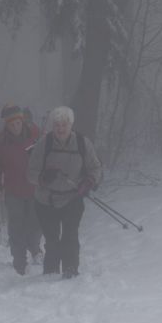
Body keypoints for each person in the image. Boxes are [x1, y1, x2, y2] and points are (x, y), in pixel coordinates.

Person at [27, 105, 103, 278]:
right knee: (52, 238)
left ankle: (70, 270)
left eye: (64, 125)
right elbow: (30, 172)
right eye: (57, 125)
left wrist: (89, 182)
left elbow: (96, 168)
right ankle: (51, 272)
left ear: (71, 125)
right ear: (52, 126)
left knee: (70, 235)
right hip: (46, 200)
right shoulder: (44, 144)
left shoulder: (83, 143)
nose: (60, 129)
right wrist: (43, 178)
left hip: (72, 198)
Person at [0, 103, 41, 275]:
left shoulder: (35, 134)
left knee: (35, 221)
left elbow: (45, 154)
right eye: (11, 124)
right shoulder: (0, 141)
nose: (15, 126)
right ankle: (19, 259)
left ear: (22, 120)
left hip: (35, 187)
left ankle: (35, 249)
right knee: (17, 224)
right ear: (6, 124)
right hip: (13, 190)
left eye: (17, 123)